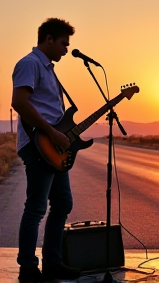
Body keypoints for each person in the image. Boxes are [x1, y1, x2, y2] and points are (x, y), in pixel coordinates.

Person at [11, 18, 81, 283]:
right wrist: (52, 133)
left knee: (63, 203)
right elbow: (19, 102)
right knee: (36, 207)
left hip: (53, 148)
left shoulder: (49, 70)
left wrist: (60, 133)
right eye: (64, 43)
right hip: (38, 146)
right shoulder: (30, 64)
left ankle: (53, 263)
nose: (66, 49)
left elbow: (53, 113)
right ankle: (28, 269)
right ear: (48, 39)